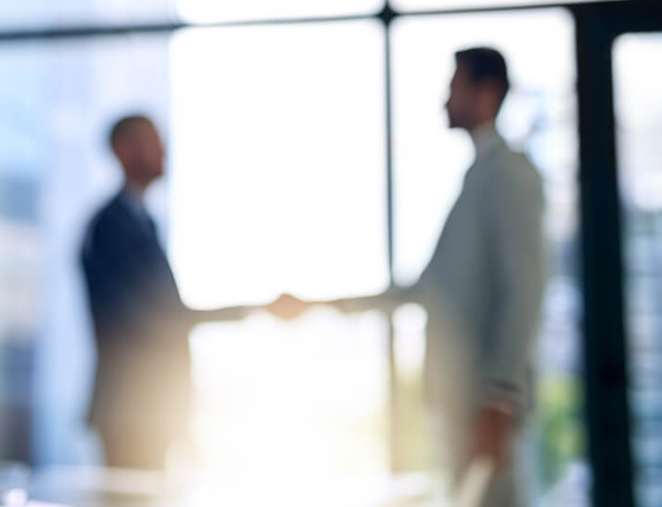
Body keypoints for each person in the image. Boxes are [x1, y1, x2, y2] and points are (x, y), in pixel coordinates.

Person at [296, 47, 546, 506]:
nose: (444, 101)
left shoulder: (510, 175)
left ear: (485, 93)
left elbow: (526, 288)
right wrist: (318, 305)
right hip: (463, 401)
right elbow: (425, 289)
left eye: (454, 87)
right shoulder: (477, 179)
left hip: (485, 405)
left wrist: (501, 397)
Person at [81, 115, 297, 470]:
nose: (163, 150)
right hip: (131, 408)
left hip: (153, 404)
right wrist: (256, 310)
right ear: (123, 150)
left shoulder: (141, 222)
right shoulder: (110, 228)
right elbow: (156, 318)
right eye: (152, 141)